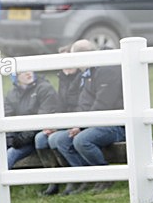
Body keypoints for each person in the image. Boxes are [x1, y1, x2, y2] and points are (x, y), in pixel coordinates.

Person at [51, 40, 124, 194]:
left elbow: (103, 103)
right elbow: (85, 103)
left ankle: (106, 177)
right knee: (60, 140)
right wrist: (76, 124)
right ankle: (86, 178)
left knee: (82, 140)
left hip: (116, 124)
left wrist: (82, 126)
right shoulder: (90, 72)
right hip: (97, 122)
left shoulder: (107, 69)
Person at [34, 44, 88, 196]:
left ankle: (78, 178)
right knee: (40, 138)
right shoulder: (63, 78)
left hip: (79, 122)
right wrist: (54, 125)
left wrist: (74, 125)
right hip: (66, 122)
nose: (67, 65)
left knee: (56, 140)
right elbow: (60, 106)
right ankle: (55, 181)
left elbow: (84, 105)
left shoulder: (82, 78)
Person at [5, 71, 59, 171]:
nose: (27, 73)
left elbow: (43, 119)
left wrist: (22, 138)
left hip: (35, 138)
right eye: (22, 72)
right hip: (19, 140)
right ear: (15, 76)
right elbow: (7, 119)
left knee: (11, 153)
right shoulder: (11, 95)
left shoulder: (45, 88)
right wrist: (10, 140)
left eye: (29, 70)